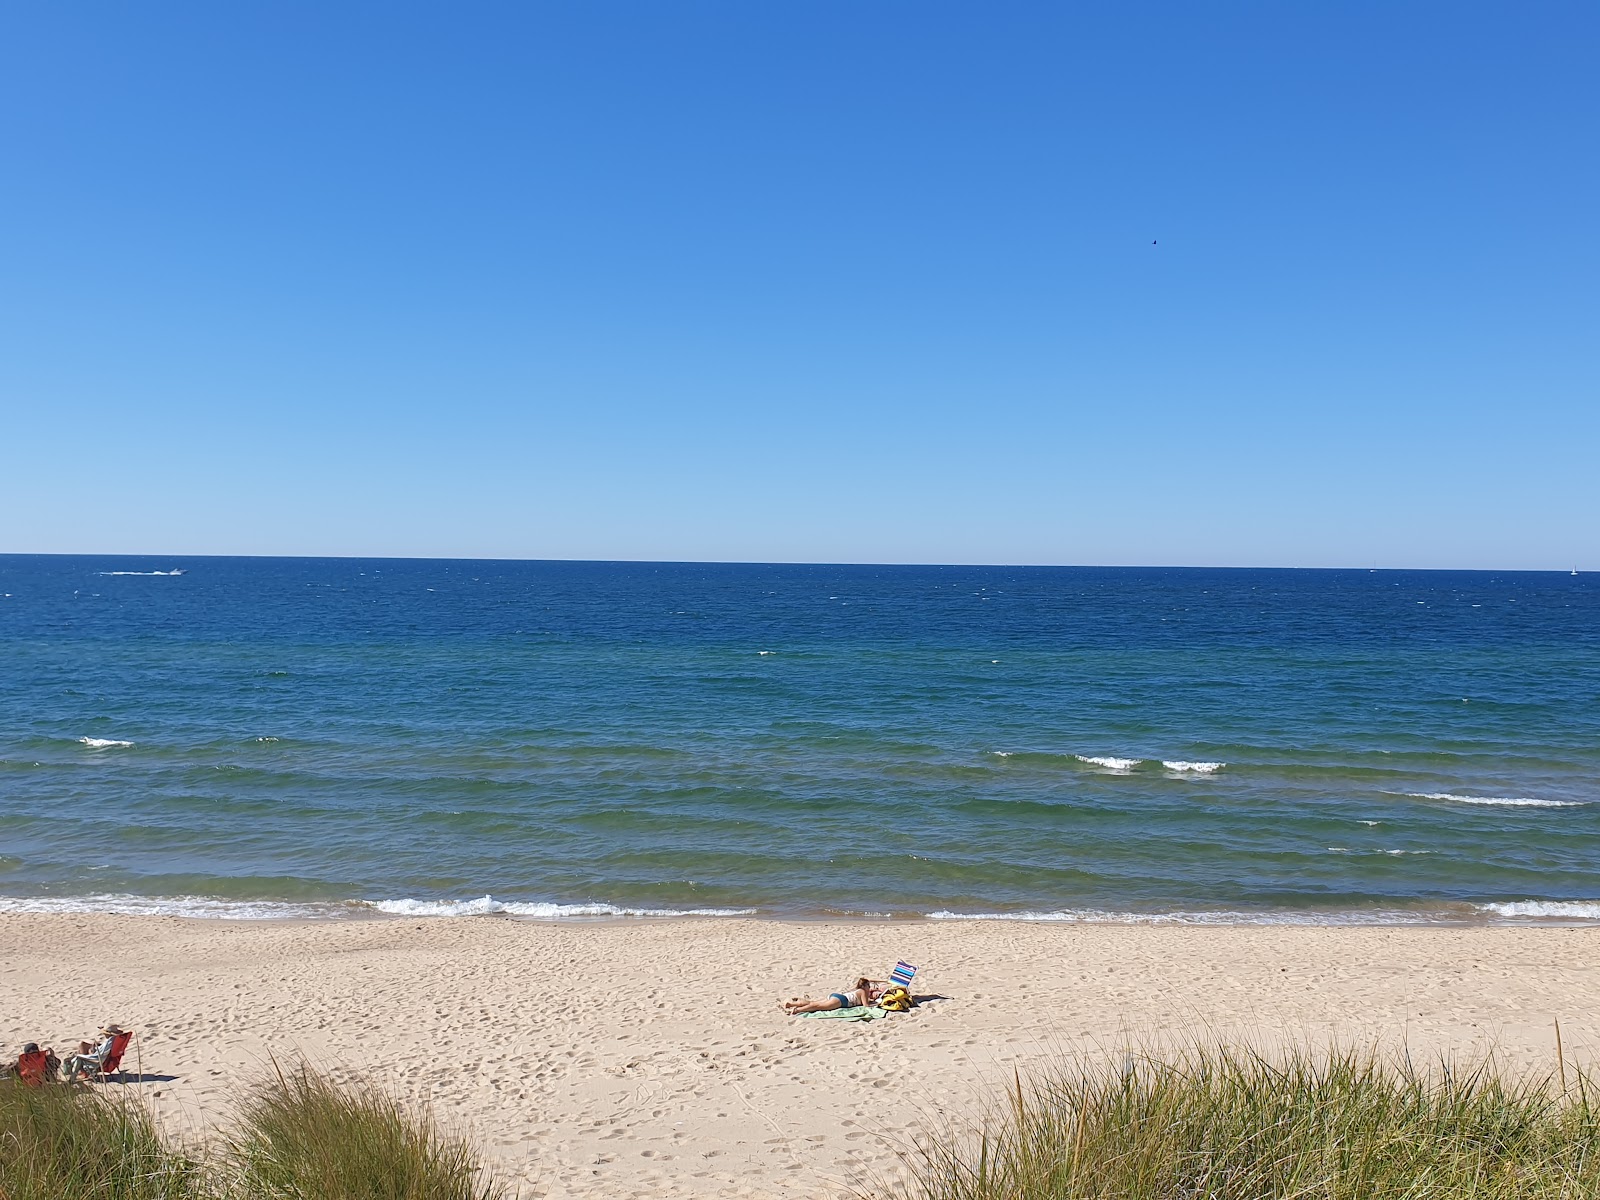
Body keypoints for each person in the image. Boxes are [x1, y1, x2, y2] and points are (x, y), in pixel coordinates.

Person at [782, 975, 889, 1014]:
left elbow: (867, 980)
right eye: (869, 986)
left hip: (837, 996)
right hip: (842, 1001)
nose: (870, 988)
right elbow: (866, 1005)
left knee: (813, 1002)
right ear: (865, 986)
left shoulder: (858, 989)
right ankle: (797, 1010)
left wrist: (883, 981)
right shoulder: (862, 992)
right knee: (818, 1007)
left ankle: (791, 1004)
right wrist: (876, 1003)